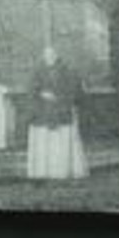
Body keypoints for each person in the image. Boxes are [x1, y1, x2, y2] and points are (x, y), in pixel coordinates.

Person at [26, 44, 88, 180]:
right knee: (44, 143)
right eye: (47, 55)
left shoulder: (67, 71)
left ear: (57, 56)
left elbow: (75, 92)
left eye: (52, 55)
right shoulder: (38, 71)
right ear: (43, 56)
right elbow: (31, 89)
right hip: (42, 113)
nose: (50, 58)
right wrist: (42, 95)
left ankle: (61, 171)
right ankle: (42, 171)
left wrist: (59, 97)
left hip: (61, 112)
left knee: (61, 142)